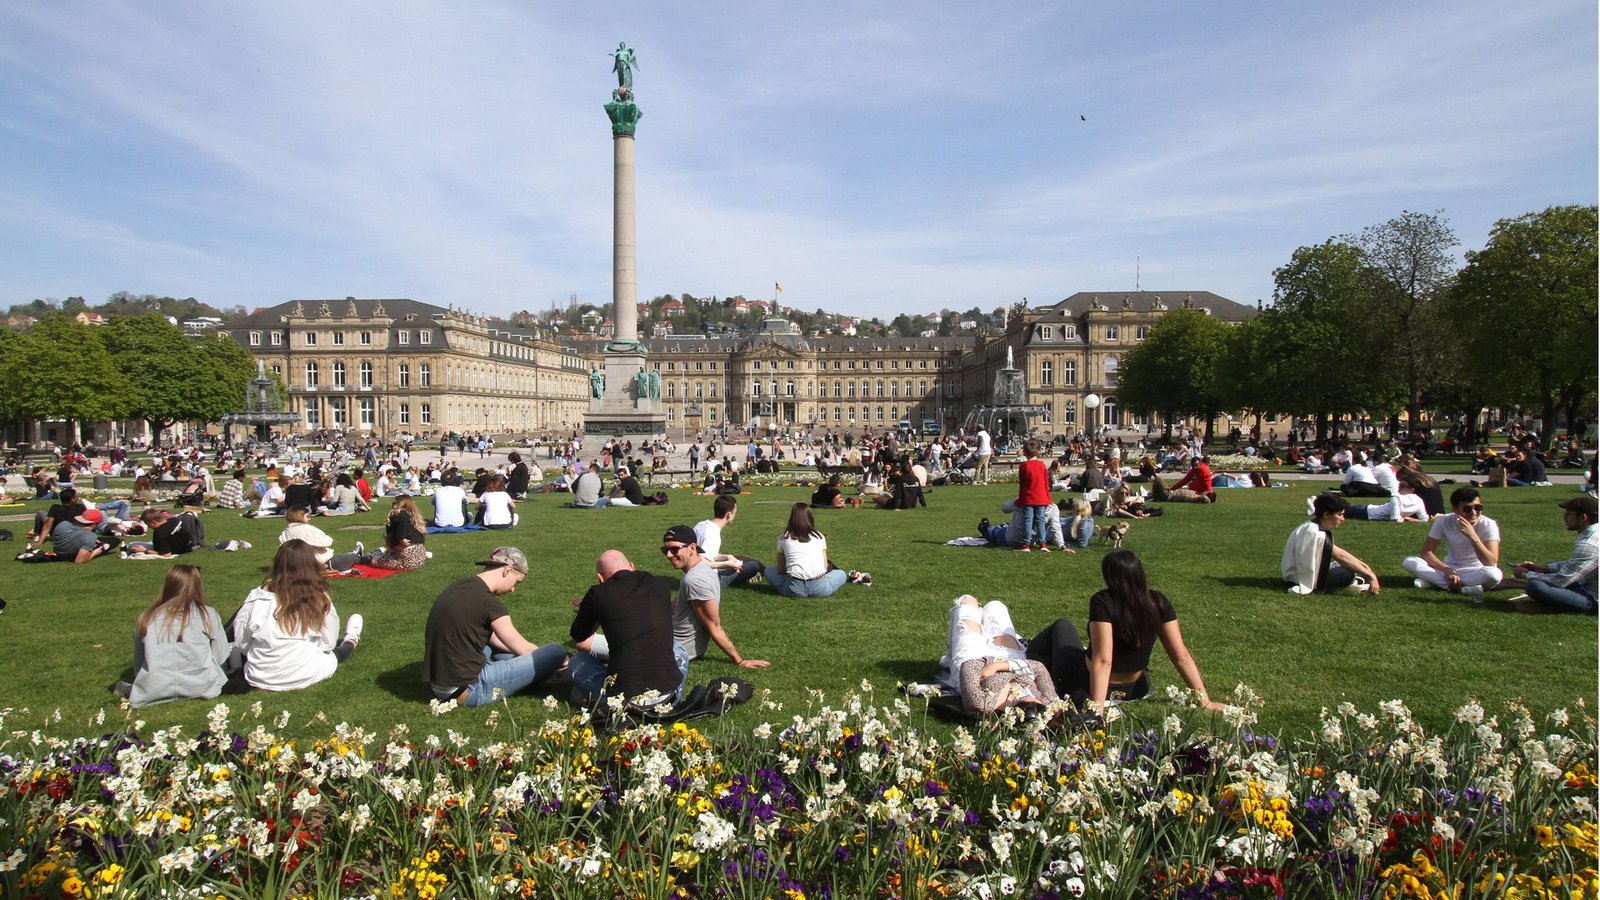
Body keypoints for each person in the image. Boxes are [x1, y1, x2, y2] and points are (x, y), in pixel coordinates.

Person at [1027, 550, 1224, 713]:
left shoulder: (1103, 602)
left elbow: (1104, 660)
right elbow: (1181, 655)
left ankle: (1030, 649)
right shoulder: (1158, 602)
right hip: (1136, 687)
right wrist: (1204, 700)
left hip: (1086, 683)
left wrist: (1097, 710)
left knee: (1062, 626)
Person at [421, 547, 568, 707]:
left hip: (440, 683)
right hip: (469, 689)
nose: (512, 589)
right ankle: (552, 669)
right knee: (555, 651)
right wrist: (562, 660)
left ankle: (539, 671)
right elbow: (524, 648)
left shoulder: (458, 586)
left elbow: (496, 640)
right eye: (516, 582)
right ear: (507, 571)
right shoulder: (489, 603)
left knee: (497, 647)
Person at [229, 540, 362, 692]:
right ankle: (352, 638)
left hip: (259, 676)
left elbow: (241, 640)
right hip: (305, 673)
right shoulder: (318, 597)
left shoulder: (257, 598)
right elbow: (329, 643)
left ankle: (351, 638)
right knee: (334, 656)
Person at [569, 550, 689, 707]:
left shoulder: (598, 594)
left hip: (623, 701)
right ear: (632, 566)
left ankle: (594, 698)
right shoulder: (660, 585)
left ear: (600, 577)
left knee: (577, 661)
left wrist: (591, 611)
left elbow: (579, 635)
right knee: (679, 649)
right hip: (669, 697)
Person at [112, 564, 231, 707]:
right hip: (202, 687)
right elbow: (221, 657)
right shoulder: (207, 614)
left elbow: (138, 665)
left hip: (153, 689)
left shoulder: (146, 618)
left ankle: (129, 689)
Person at [660, 525, 769, 667]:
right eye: (665, 550)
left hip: (675, 649)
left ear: (692, 548)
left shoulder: (694, 580)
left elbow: (714, 625)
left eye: (674, 549)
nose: (668, 555)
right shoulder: (702, 569)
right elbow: (672, 608)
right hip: (668, 639)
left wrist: (739, 660)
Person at [944, 595, 1055, 715]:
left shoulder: (983, 704)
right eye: (1039, 705)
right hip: (1009, 658)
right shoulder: (1048, 704)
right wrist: (997, 666)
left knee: (967, 603)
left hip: (973, 656)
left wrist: (995, 664)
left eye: (1032, 706)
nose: (1036, 703)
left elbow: (969, 666)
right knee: (996, 606)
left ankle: (950, 659)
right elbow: (1039, 668)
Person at [1402, 487, 1503, 597]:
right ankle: (1463, 588)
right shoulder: (1444, 521)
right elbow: (1427, 552)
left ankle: (1436, 583)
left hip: (1476, 571)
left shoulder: (1488, 524)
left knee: (1494, 574)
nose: (1473, 513)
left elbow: (1491, 562)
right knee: (1409, 562)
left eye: (1478, 508)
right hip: (1449, 568)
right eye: (1467, 509)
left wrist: (1473, 537)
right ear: (1455, 509)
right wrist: (1447, 570)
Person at [1503, 496, 1597, 614]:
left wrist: (1526, 574)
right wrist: (1544, 568)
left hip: (1593, 599)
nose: (1565, 516)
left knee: (1536, 587)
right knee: (1543, 579)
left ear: (1583, 518)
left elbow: (1561, 581)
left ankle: (1551, 607)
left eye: (1569, 513)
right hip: (1586, 584)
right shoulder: (1594, 534)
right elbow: (1578, 563)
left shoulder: (1589, 544)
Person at [1282, 494, 1382, 594]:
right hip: (1299, 579)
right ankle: (1343, 586)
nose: (1342, 519)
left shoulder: (1309, 526)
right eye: (1339, 514)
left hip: (1294, 575)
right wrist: (1370, 576)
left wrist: (1365, 568)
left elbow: (1340, 552)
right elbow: (1341, 557)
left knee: (1353, 565)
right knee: (1347, 573)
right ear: (1326, 515)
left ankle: (1351, 583)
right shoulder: (1316, 533)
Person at [763, 503, 867, 597]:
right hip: (820, 588)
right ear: (810, 518)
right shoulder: (819, 536)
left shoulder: (784, 537)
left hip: (794, 588)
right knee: (841, 573)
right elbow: (825, 566)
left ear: (792, 518)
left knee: (769, 571)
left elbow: (780, 570)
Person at [694, 495, 763, 588]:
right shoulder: (713, 534)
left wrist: (726, 557)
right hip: (709, 580)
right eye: (734, 513)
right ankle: (755, 575)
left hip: (695, 575)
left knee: (737, 559)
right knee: (753, 566)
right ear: (729, 515)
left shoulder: (701, 525)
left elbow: (704, 553)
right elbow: (700, 562)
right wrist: (726, 563)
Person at [369, 496, 428, 572]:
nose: (393, 505)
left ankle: (378, 553)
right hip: (420, 554)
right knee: (389, 553)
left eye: (395, 503)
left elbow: (396, 537)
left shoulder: (400, 515)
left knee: (374, 561)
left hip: (408, 560)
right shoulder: (414, 517)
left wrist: (401, 538)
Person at [1014, 439, 1051, 552]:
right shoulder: (1042, 465)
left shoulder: (1024, 466)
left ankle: (1026, 544)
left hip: (1028, 498)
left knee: (1028, 520)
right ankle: (1043, 543)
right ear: (1039, 451)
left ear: (1024, 452)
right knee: (1040, 520)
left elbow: (1023, 485)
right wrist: (1048, 498)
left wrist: (1020, 499)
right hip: (1041, 497)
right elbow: (1046, 484)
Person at [1340, 481, 1427, 522]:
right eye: (1399, 485)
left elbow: (1395, 519)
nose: (1399, 487)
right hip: (1367, 510)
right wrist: (1409, 519)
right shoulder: (1419, 501)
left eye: (1403, 486)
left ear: (1412, 489)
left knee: (1340, 511)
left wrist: (1409, 520)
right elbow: (1424, 519)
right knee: (1339, 510)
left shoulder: (1396, 497)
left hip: (1367, 512)